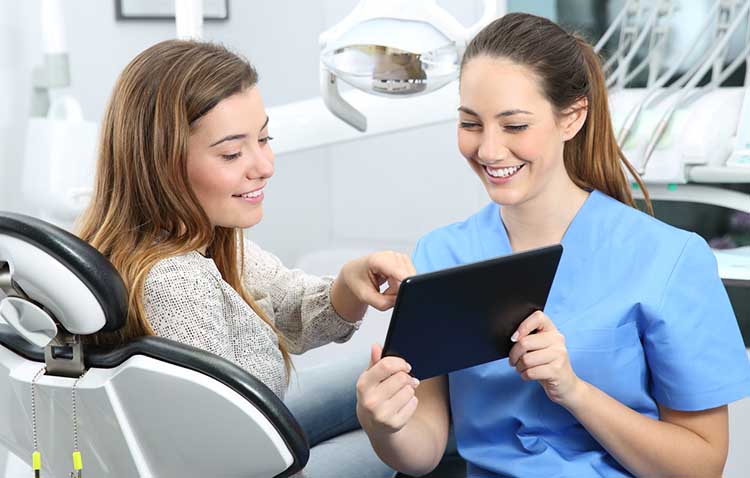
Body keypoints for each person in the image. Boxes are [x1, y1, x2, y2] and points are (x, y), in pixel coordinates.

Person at [356, 12, 750, 478]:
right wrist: (383, 424)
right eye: (470, 123)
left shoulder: (668, 258)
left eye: (515, 126)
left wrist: (573, 391)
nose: (489, 150)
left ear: (572, 117)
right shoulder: (441, 255)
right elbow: (424, 451)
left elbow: (701, 466)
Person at [76, 39, 408, 478]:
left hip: (248, 437)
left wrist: (348, 285)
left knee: (394, 368)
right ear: (162, 164)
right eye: (232, 153)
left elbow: (285, 304)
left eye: (264, 138)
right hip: (245, 464)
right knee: (407, 435)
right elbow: (223, 458)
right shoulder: (176, 281)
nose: (265, 165)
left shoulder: (190, 238)